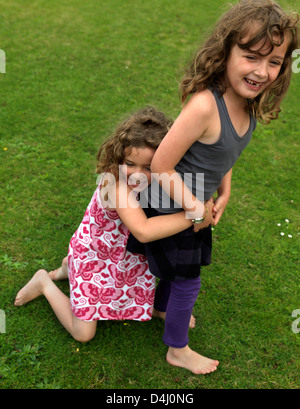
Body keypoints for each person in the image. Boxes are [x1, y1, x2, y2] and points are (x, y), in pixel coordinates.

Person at [127, 0, 299, 374]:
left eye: (274, 62)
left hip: (194, 206)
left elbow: (225, 155)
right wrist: (195, 207)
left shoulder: (247, 102)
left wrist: (225, 192)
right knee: (188, 281)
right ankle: (177, 349)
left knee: (177, 273)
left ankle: (160, 309)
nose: (262, 71)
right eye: (252, 56)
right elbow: (161, 166)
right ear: (225, 52)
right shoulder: (205, 106)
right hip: (170, 206)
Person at [14, 107, 203, 342]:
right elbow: (143, 231)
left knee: (122, 284)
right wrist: (194, 215)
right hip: (95, 255)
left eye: (148, 167)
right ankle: (44, 282)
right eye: (130, 163)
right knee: (84, 334)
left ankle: (68, 268)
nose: (137, 175)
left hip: (124, 257)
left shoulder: (161, 179)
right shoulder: (116, 185)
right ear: (118, 157)